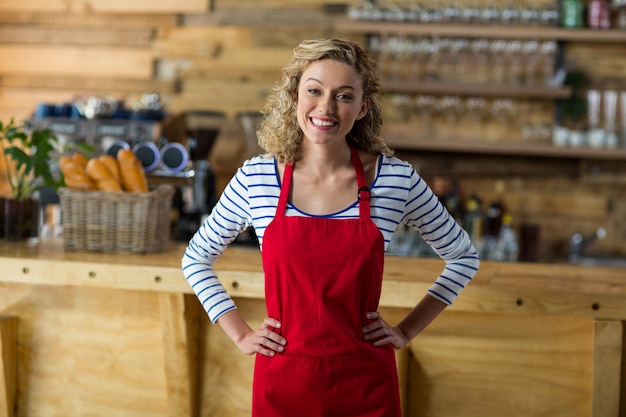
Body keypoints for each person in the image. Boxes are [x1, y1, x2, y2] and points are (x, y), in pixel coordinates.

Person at [182, 37, 480, 417]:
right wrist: (240, 333)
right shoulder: (257, 178)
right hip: (283, 383)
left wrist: (406, 331)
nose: (325, 107)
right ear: (294, 97)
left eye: (343, 96)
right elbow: (195, 259)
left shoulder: (394, 180)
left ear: (362, 108)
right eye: (314, 91)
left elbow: (463, 257)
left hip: (366, 384)